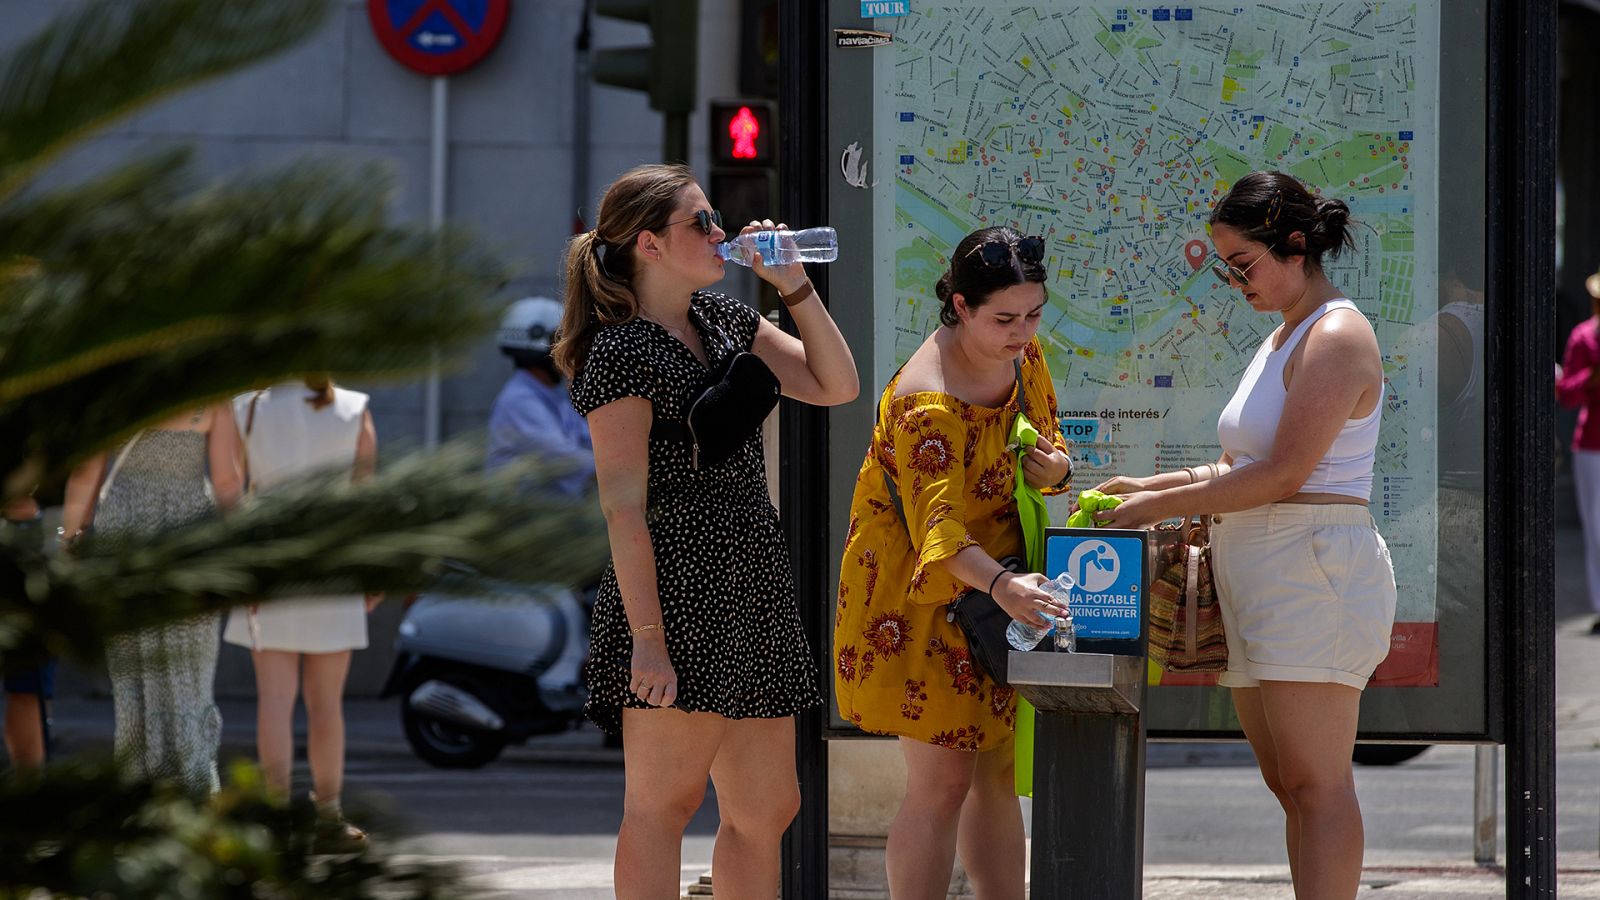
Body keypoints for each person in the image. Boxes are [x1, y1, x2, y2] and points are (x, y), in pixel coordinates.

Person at [554, 163, 857, 899]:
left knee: (767, 807)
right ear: (650, 245)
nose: (722, 233)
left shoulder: (723, 319)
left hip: (750, 575)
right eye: (702, 223)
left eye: (716, 218)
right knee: (664, 805)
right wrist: (648, 641)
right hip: (674, 590)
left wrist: (794, 286)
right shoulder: (620, 350)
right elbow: (623, 508)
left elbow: (836, 384)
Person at [1093, 171, 1396, 900]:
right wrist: (1152, 488)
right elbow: (1241, 463)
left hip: (1311, 562)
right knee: (1287, 781)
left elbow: (1287, 472)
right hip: (1265, 562)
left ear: (1296, 246)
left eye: (1243, 265)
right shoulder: (1286, 331)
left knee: (1314, 783)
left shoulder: (1337, 332)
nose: (1234, 282)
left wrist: (1155, 511)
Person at [834, 226, 1074, 899]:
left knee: (996, 771)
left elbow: (1046, 453)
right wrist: (1003, 585)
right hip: (921, 599)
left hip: (999, 590)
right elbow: (936, 531)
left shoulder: (1023, 357)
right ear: (961, 306)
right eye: (1004, 318)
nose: (1022, 331)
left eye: (1033, 314)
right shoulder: (925, 401)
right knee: (942, 782)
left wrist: (1059, 469)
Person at [221, 377, 379, 852]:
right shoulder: (354, 408)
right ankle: (328, 816)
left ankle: (275, 818)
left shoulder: (246, 407)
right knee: (326, 704)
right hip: (334, 565)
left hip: (271, 564)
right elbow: (366, 502)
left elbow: (233, 492)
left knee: (275, 700)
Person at [61, 404, 245, 798]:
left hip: (124, 532)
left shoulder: (123, 387)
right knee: (190, 662)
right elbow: (228, 480)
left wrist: (70, 538)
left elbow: (86, 471)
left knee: (133, 664)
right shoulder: (213, 395)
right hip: (190, 532)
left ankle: (138, 777)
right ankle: (192, 775)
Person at [486, 296, 595, 496]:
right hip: (520, 522)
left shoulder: (555, 395)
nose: (571, 348)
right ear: (541, 347)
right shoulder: (519, 401)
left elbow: (590, 440)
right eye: (560, 339)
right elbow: (563, 457)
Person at [1557, 265, 1600, 633]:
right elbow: (1567, 394)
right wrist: (1592, 376)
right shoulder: (1583, 337)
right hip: (1592, 445)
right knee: (1597, 529)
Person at [3, 495, 53, 773]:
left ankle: (31, 791)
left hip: (21, 532)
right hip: (21, 528)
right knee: (26, 687)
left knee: (26, 685)